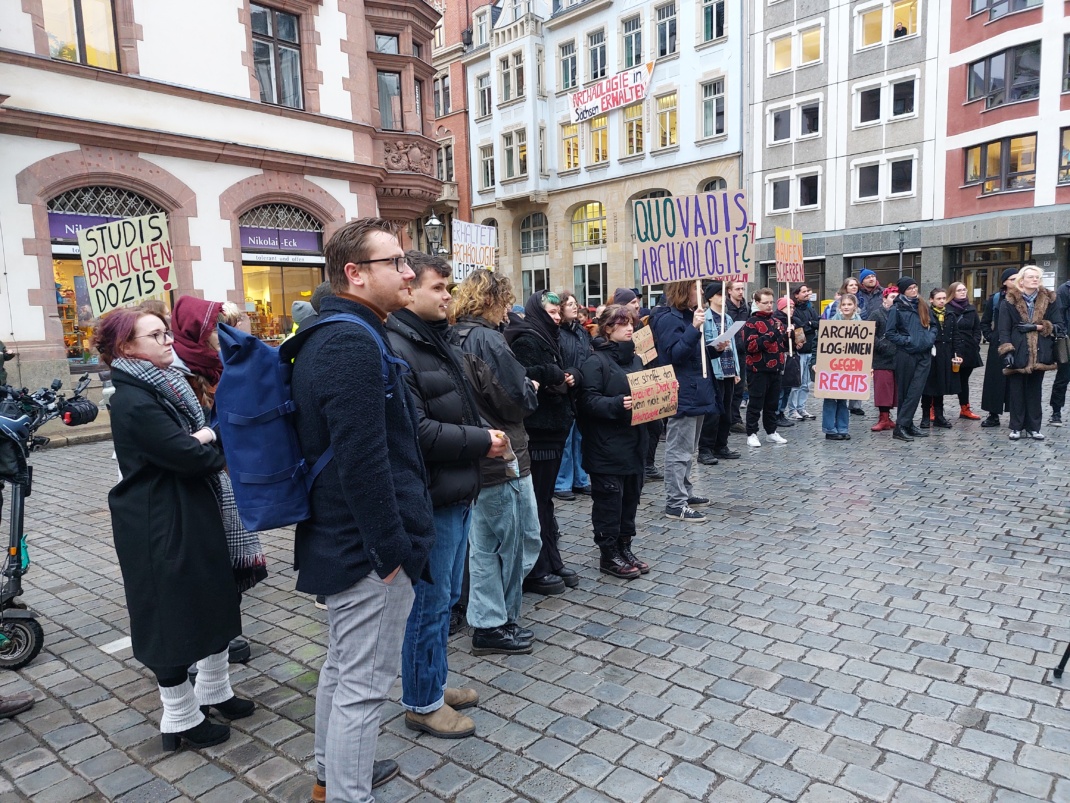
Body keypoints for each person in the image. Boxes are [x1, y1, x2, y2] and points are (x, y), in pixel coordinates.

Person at [291, 219, 435, 803]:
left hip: (346, 540)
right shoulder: (350, 339)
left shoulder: (342, 330)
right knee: (363, 683)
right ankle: (348, 792)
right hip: (363, 548)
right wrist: (391, 551)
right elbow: (362, 461)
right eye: (394, 262)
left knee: (343, 667)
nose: (407, 272)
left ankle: (333, 774)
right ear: (355, 273)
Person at [96, 307, 252, 753]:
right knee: (170, 615)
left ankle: (214, 690)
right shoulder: (131, 398)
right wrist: (208, 439)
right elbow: (187, 454)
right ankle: (179, 715)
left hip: (193, 508)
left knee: (213, 599)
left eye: (166, 332)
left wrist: (203, 437)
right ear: (126, 348)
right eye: (155, 335)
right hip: (159, 520)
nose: (167, 341)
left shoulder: (168, 384)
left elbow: (196, 440)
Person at [384, 252, 505, 740]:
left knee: (444, 598)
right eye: (439, 287)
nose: (448, 297)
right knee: (429, 604)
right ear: (409, 288)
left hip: (454, 488)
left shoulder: (430, 338)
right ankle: (421, 701)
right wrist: (482, 441)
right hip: (432, 495)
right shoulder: (399, 344)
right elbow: (416, 430)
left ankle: (430, 682)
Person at [450, 270, 542, 654]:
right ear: (492, 300)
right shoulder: (488, 339)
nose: (508, 309)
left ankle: (489, 621)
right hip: (502, 454)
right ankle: (498, 622)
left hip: (474, 451)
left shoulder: (452, 335)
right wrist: (530, 388)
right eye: (505, 300)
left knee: (485, 545)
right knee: (519, 541)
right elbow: (514, 398)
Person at [506, 291, 578, 596]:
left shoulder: (551, 337)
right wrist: (553, 375)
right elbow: (522, 377)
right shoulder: (527, 339)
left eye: (558, 312)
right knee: (537, 501)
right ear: (538, 312)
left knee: (545, 500)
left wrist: (569, 374)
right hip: (538, 431)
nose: (557, 317)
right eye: (552, 312)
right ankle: (537, 566)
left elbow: (571, 365)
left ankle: (550, 558)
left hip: (554, 428)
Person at [577, 305, 649, 579]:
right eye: (623, 324)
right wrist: (618, 404)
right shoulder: (595, 362)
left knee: (630, 500)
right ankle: (608, 553)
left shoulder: (636, 360)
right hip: (606, 446)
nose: (630, 328)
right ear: (608, 329)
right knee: (610, 502)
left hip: (633, 442)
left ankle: (624, 545)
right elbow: (587, 401)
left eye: (631, 323)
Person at [651, 280, 718, 521]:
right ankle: (675, 502)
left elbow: (692, 355)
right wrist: (693, 328)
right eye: (695, 288)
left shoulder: (687, 316)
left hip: (695, 389)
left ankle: (685, 492)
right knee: (678, 450)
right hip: (682, 392)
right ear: (683, 290)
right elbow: (673, 355)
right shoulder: (668, 319)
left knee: (689, 449)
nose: (701, 292)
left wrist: (715, 349)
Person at [998, 265, 1062, 441]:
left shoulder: (1050, 299)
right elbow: (1003, 329)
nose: (1035, 280)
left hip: (1041, 350)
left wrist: (1037, 326)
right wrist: (1007, 350)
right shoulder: (1009, 300)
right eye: (1031, 277)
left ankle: (1034, 427)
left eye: (1037, 277)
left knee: (1035, 391)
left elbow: (1059, 326)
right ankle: (1016, 427)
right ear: (1022, 280)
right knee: (1016, 390)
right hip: (1018, 349)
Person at [885, 276, 936, 442]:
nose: (914, 290)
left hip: (924, 353)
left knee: (916, 391)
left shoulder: (923, 305)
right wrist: (907, 341)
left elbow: (934, 325)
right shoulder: (897, 309)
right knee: (906, 392)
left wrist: (929, 339)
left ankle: (906, 424)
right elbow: (890, 333)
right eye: (910, 288)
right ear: (903, 291)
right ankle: (901, 426)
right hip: (906, 355)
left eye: (915, 287)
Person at [554, 292, 592, 501]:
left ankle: (581, 478)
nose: (574, 307)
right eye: (569, 304)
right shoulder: (557, 332)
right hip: (565, 389)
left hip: (582, 389)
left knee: (580, 438)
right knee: (566, 440)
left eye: (575, 303)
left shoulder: (581, 332)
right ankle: (562, 482)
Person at [698, 284, 741, 464]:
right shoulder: (705, 318)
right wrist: (716, 344)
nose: (722, 297)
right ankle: (705, 449)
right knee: (712, 412)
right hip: (714, 369)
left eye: (723, 294)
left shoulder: (728, 318)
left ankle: (721, 445)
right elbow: (702, 346)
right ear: (710, 297)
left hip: (728, 368)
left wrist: (737, 370)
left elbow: (734, 347)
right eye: (718, 294)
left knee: (726, 411)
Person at [742, 288, 789, 448]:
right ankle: (752, 433)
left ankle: (771, 431)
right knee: (755, 403)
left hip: (776, 368)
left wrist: (791, 339)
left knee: (772, 404)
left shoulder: (776, 321)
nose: (769, 306)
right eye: (765, 303)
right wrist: (773, 335)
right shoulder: (751, 323)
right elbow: (751, 346)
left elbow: (781, 345)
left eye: (771, 302)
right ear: (756, 303)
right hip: (758, 369)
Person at [980, 269, 1018, 428]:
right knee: (994, 380)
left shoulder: (1025, 298)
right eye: (1012, 279)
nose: (1016, 281)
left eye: (1018, 278)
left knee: (1016, 379)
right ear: (1004, 282)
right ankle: (993, 414)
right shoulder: (995, 299)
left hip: (1018, 342)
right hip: (998, 344)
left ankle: (1016, 415)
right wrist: (991, 337)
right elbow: (985, 321)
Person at [920, 288, 961, 430]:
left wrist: (957, 353)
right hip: (931, 353)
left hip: (946, 353)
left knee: (941, 385)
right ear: (931, 300)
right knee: (928, 386)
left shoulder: (950, 315)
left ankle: (939, 415)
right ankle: (925, 416)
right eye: (939, 298)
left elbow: (955, 334)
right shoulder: (926, 314)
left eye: (944, 298)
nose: (942, 301)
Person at [820, 293, 860, 440]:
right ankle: (830, 430)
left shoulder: (861, 325)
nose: (846, 307)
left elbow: (865, 349)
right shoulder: (830, 323)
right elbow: (819, 344)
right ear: (839, 307)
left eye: (849, 304)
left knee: (843, 399)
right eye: (843, 305)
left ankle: (843, 428)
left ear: (855, 306)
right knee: (830, 398)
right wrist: (816, 363)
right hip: (832, 365)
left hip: (850, 366)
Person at [947, 282, 983, 421]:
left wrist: (975, 343)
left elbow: (977, 329)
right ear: (953, 293)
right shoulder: (947, 308)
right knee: (944, 379)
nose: (963, 292)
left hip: (968, 350)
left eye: (964, 290)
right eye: (959, 290)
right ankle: (934, 409)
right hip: (951, 350)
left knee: (964, 380)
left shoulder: (971, 309)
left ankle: (965, 408)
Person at [867, 287, 899, 432]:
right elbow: (869, 334)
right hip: (881, 357)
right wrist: (883, 346)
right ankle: (883, 418)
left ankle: (889, 418)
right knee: (883, 389)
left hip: (898, 357)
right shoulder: (877, 314)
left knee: (894, 389)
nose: (895, 300)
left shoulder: (901, 314)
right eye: (892, 297)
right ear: (885, 298)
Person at [785, 284, 818, 421]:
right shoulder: (794, 310)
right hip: (800, 351)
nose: (807, 293)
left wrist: (810, 324)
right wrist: (810, 325)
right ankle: (792, 410)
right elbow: (800, 327)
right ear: (796, 294)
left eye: (807, 291)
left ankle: (801, 407)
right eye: (804, 291)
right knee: (796, 383)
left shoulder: (810, 308)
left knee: (806, 383)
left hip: (811, 348)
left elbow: (818, 322)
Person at [725, 281, 750, 433]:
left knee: (740, 387)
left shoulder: (744, 308)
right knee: (729, 388)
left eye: (742, 289)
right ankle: (729, 419)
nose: (741, 292)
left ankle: (735, 418)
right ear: (729, 291)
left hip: (742, 352)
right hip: (728, 351)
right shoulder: (726, 308)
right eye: (737, 289)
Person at [773, 297, 800, 429]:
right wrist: (786, 334)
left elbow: (800, 341)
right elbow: (777, 340)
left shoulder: (794, 322)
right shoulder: (777, 322)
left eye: (793, 307)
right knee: (781, 388)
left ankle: (782, 411)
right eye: (788, 307)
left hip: (792, 356)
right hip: (781, 357)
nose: (791, 310)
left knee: (788, 386)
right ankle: (776, 413)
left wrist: (797, 339)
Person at [1048, 275, 1070, 426]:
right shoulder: (1065, 289)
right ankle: (1056, 412)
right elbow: (1059, 315)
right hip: (1068, 342)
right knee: (1063, 378)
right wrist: (1063, 335)